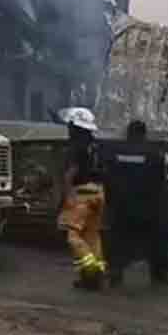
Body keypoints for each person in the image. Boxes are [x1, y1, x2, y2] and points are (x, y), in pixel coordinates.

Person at [104, 120, 168, 287]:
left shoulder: (115, 152)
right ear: (144, 134)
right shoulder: (154, 154)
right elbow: (160, 183)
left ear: (128, 133)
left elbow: (107, 177)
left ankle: (115, 272)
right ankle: (160, 275)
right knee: (156, 241)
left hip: (121, 206)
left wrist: (111, 201)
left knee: (117, 240)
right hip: (147, 207)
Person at [56, 107, 107, 290]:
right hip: (99, 193)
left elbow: (70, 173)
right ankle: (94, 276)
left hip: (82, 194)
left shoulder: (76, 146)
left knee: (71, 234)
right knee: (92, 236)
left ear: (74, 126)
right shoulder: (97, 146)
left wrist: (68, 196)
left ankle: (91, 269)